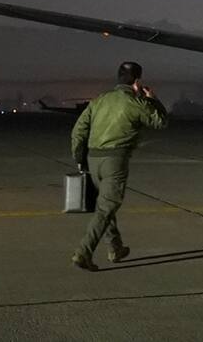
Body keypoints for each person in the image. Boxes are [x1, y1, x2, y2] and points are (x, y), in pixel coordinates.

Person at [69, 61, 169, 271]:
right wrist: (153, 100)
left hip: (93, 159)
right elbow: (160, 122)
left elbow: (78, 131)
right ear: (137, 81)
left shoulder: (99, 100)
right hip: (115, 160)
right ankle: (83, 252)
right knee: (106, 208)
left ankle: (116, 247)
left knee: (105, 205)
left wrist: (80, 158)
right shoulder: (135, 101)